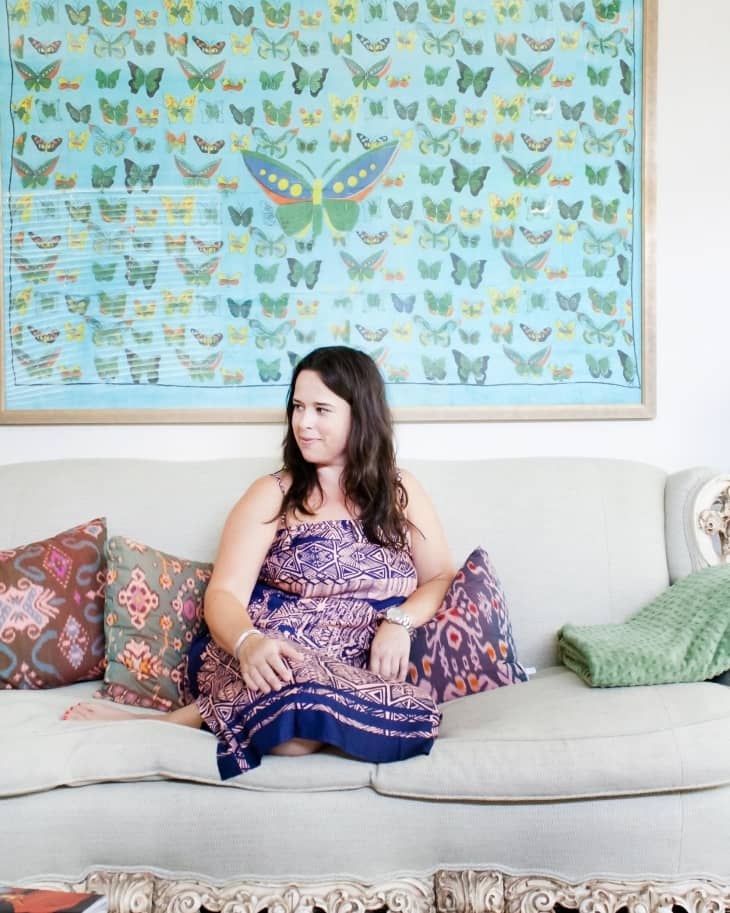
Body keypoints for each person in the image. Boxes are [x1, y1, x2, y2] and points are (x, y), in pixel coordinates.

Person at [65, 346, 455, 778]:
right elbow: (224, 594)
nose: (303, 423)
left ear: (360, 414)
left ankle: (193, 719)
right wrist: (249, 642)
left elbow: (439, 575)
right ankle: (170, 723)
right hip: (272, 653)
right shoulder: (272, 493)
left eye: (321, 409)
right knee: (290, 735)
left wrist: (399, 622)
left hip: (359, 658)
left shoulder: (402, 490)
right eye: (297, 407)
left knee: (410, 716)